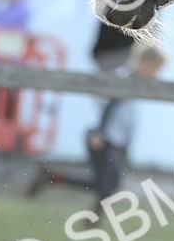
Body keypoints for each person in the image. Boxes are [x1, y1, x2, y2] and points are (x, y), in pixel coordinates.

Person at [27, 42, 166, 213]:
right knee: (107, 183)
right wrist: (100, 132)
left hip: (114, 139)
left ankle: (56, 180)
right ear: (146, 63)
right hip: (104, 137)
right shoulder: (125, 79)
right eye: (156, 69)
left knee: (108, 183)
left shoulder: (135, 82)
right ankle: (55, 180)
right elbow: (111, 105)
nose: (157, 74)